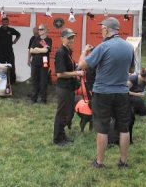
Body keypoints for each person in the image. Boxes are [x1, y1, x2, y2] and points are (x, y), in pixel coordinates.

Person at [77, 17, 135, 169]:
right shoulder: (129, 47)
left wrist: (84, 52)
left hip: (103, 93)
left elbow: (82, 65)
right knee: (124, 128)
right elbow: (131, 70)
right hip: (122, 92)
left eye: (102, 28)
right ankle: (123, 162)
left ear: (108, 30)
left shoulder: (103, 47)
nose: (101, 30)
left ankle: (100, 162)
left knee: (102, 128)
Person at [53, 28, 84, 146]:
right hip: (63, 88)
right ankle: (57, 139)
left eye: (72, 37)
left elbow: (71, 68)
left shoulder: (67, 51)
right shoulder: (61, 52)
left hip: (68, 88)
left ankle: (62, 136)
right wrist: (77, 73)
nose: (71, 40)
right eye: (69, 38)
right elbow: (60, 74)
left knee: (67, 113)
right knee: (61, 114)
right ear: (62, 39)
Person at [0, 16, 21, 93]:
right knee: (1, 67)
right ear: (2, 22)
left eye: (6, 22)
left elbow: (18, 34)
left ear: (8, 23)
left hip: (9, 52)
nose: (5, 24)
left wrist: (15, 41)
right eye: (4, 22)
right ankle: (1, 81)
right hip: (0, 52)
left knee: (12, 66)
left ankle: (12, 81)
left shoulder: (10, 30)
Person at [29, 24, 53, 103]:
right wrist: (40, 49)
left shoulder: (49, 40)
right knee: (34, 81)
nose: (39, 31)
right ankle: (33, 99)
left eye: (41, 29)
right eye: (39, 29)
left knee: (43, 82)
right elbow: (31, 50)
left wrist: (36, 49)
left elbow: (46, 50)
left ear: (45, 30)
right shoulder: (35, 39)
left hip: (44, 63)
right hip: (35, 63)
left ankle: (43, 99)